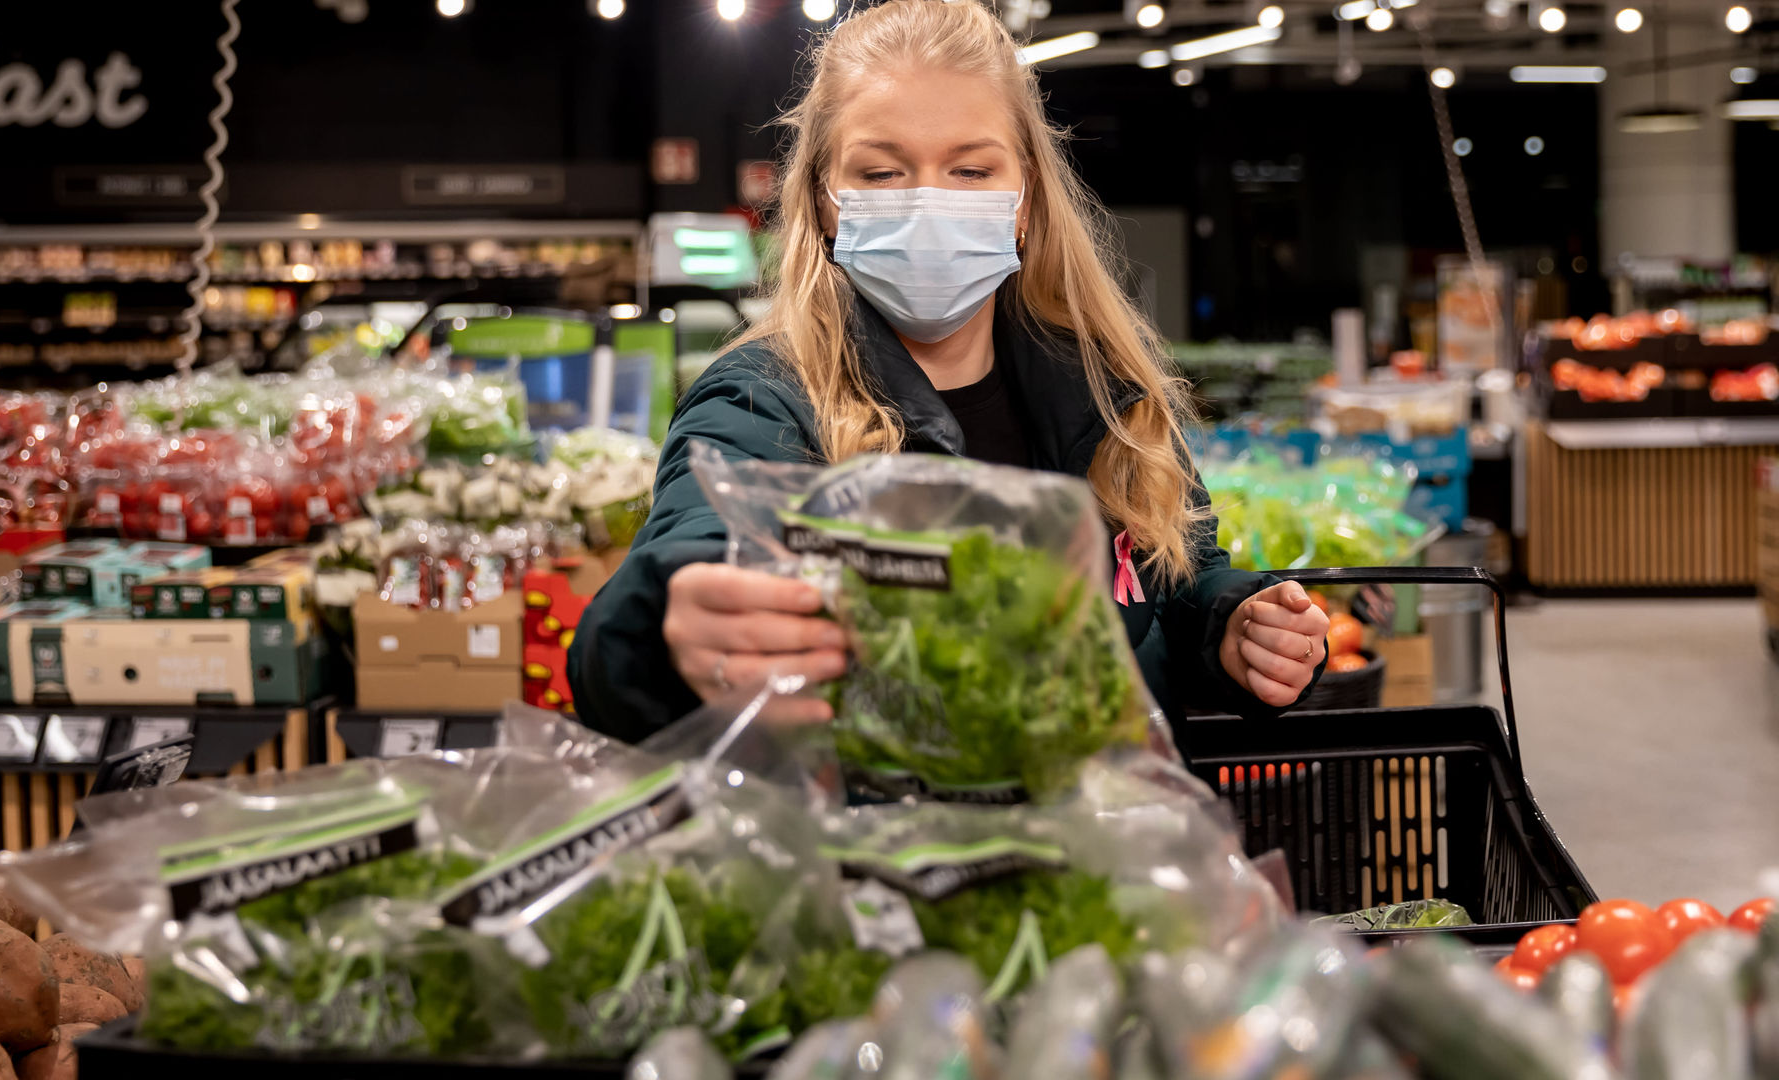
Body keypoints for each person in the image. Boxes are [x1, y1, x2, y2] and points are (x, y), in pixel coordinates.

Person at [569, 0, 1328, 742]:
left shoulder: (1103, 390)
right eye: (880, 173)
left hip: (1107, 822)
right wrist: (669, 626)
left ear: (1024, 200)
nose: (928, 203)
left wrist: (1232, 622)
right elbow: (684, 563)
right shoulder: (762, 400)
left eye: (970, 169)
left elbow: (1173, 579)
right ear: (825, 204)